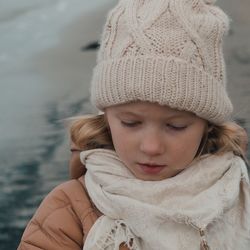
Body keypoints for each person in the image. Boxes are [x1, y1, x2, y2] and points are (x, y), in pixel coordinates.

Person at [18, 0, 250, 249]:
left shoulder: (238, 196)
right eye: (130, 123)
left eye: (176, 126)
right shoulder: (69, 211)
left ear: (208, 125)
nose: (151, 147)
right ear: (106, 117)